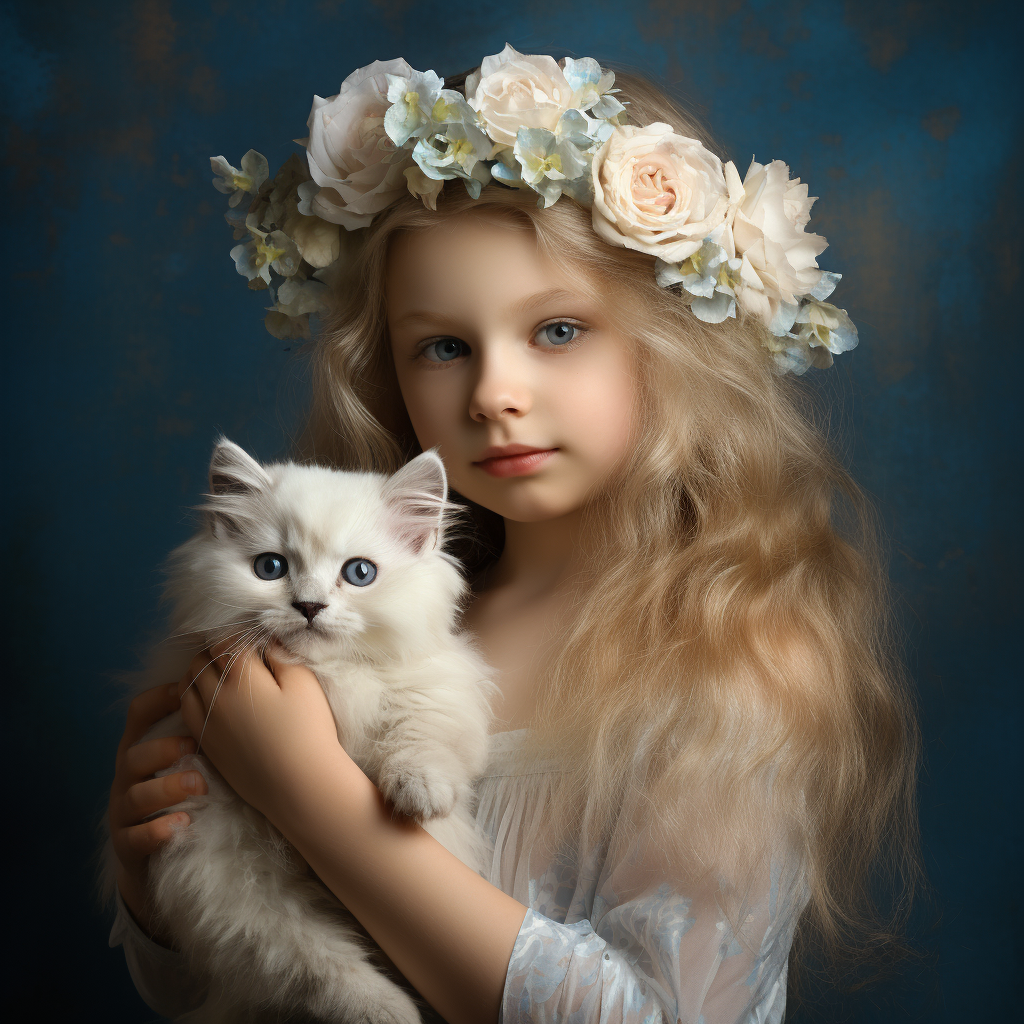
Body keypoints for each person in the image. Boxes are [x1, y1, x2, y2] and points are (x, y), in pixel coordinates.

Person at [106, 48, 921, 1023]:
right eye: (442, 346)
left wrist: (315, 801)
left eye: (558, 331)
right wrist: (156, 877)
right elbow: (225, 986)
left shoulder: (730, 651)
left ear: (670, 344)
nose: (494, 394)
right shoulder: (372, 619)